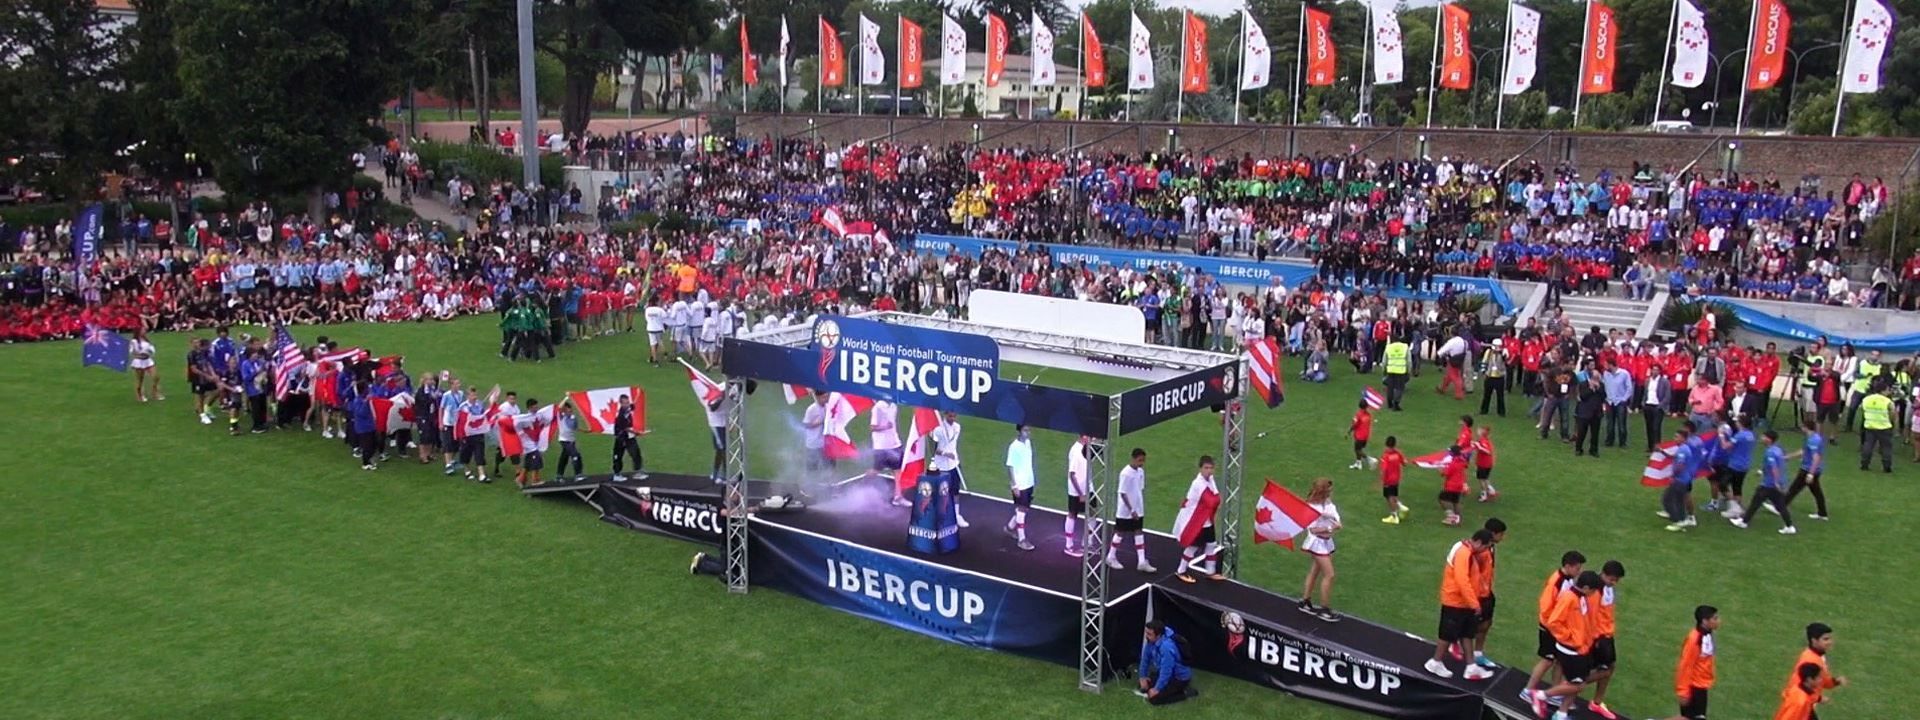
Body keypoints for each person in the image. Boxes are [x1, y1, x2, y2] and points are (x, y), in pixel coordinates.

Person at [1524, 571, 1605, 720]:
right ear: (1586, 587)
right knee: (1577, 685)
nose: (1594, 594)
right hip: (1570, 649)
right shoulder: (1569, 598)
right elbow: (1554, 622)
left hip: (1580, 648)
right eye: (1593, 590)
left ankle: (1561, 714)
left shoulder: (1580, 597)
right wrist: (1570, 638)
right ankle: (1541, 695)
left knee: (1576, 682)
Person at [1427, 528, 1497, 681]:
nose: (1485, 551)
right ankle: (1435, 662)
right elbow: (1462, 580)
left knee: (1467, 633)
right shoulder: (1463, 554)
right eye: (1485, 547)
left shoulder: (1467, 551)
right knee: (1447, 634)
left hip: (1464, 602)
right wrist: (1475, 604)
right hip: (1455, 601)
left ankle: (1471, 666)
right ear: (1478, 542)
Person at [1520, 551, 1586, 703]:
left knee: (1558, 661)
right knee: (1547, 660)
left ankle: (1555, 693)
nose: (1579, 571)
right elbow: (1545, 606)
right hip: (1549, 627)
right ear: (1568, 566)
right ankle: (1528, 690)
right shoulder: (1556, 581)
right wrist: (1553, 627)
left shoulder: (1568, 580)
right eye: (1577, 568)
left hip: (1556, 628)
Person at [1653, 605, 1719, 720]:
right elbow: (1684, 666)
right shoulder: (1694, 639)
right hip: (1694, 687)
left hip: (1701, 686)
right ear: (1704, 621)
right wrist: (1683, 692)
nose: (1718, 621)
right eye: (1715, 618)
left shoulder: (1708, 635)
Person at [1731, 430, 1797, 534]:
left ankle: (1744, 522)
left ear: (1769, 439)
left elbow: (1774, 467)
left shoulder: (1770, 452)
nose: (1761, 438)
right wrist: (1763, 471)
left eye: (1764, 437)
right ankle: (1789, 526)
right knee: (1779, 505)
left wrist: (1775, 482)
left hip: (1769, 484)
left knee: (1757, 502)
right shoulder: (1777, 450)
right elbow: (1780, 464)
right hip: (1774, 482)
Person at [1586, 561, 1628, 720]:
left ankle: (1597, 702)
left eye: (1616, 580)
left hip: (1607, 635)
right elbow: (1590, 615)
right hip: (1598, 637)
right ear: (1603, 573)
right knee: (1603, 670)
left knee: (1610, 667)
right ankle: (1568, 688)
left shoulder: (1609, 589)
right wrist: (1595, 638)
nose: (1614, 582)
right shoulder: (1595, 589)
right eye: (1612, 579)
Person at [1172, 456, 1224, 583]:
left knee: (1211, 544)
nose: (1209, 471)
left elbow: (1216, 498)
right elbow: (1212, 500)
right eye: (1206, 468)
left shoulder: (1210, 480)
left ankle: (1210, 572)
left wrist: (1215, 501)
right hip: (1196, 520)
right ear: (1200, 468)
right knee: (1193, 546)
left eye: (1211, 468)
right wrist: (1215, 501)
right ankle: (1180, 570)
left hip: (1205, 519)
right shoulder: (1198, 483)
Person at [1298, 478, 1341, 622]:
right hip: (1317, 543)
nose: (1331, 492)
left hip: (1325, 542)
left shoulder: (1326, 504)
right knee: (1330, 574)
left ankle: (1305, 601)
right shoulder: (1312, 508)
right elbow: (1314, 529)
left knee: (1315, 571)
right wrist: (1331, 527)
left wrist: (1332, 523)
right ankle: (1324, 609)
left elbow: (1336, 519)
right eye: (1329, 490)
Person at [1107, 448, 1155, 572]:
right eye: (1139, 460)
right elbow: (1122, 493)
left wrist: (1138, 508)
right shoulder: (1125, 473)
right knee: (1120, 533)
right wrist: (1131, 510)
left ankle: (1141, 561)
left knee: (1138, 531)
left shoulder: (1140, 472)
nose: (1141, 463)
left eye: (1143, 461)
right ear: (1133, 458)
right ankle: (1111, 557)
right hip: (1125, 511)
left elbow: (1139, 490)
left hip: (1138, 509)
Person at [1469, 518, 1507, 670]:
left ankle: (1478, 654)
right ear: (1493, 533)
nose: (1502, 538)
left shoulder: (1490, 548)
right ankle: (1458, 648)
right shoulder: (1480, 551)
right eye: (1501, 534)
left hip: (1487, 592)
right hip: (1477, 593)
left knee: (1486, 623)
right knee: (1471, 624)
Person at [1785, 622, 1846, 713]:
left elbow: (1822, 680)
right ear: (1814, 641)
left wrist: (1835, 681)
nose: (1830, 642)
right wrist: (1818, 698)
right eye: (1825, 639)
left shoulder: (1818, 656)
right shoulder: (1810, 661)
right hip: (1799, 705)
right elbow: (1800, 686)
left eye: (1830, 638)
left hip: (1805, 703)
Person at [1136, 620, 1194, 705]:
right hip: (1168, 674)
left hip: (1179, 678)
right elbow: (1145, 659)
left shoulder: (1166, 647)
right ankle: (1169, 690)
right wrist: (1142, 677)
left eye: (1149, 634)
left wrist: (1157, 689)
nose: (1146, 636)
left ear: (1158, 635)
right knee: (1143, 686)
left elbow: (1166, 671)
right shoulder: (1151, 641)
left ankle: (1185, 693)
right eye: (1146, 633)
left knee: (1154, 699)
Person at [1784, 418, 1831, 521]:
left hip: (1808, 469)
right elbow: (1803, 451)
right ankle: (1822, 514)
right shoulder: (1811, 438)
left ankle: (1780, 507)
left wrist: (1811, 473)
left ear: (1806, 428)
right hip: (1813, 469)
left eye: (1802, 427)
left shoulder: (1813, 440)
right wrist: (1788, 457)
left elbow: (1816, 457)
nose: (1801, 428)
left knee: (1794, 489)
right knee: (1816, 492)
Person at [928, 410, 968, 528]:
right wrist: (945, 453)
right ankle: (936, 515)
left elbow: (952, 444)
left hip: (954, 464)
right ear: (945, 415)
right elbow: (933, 449)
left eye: (954, 416)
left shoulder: (957, 427)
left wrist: (952, 456)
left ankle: (956, 515)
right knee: (940, 492)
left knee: (955, 491)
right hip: (941, 466)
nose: (952, 418)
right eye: (950, 416)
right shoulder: (938, 430)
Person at [1658, 423, 1700, 532]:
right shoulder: (1684, 448)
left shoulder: (1682, 450)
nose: (1674, 439)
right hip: (1684, 480)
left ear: (1683, 438)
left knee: (1667, 499)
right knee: (1679, 501)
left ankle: (1677, 520)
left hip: (1679, 480)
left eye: (1677, 437)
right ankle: (1681, 520)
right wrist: (1662, 452)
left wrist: (1673, 476)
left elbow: (1680, 465)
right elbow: (1674, 458)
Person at [1715, 416, 1757, 519]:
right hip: (1745, 465)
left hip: (1735, 465)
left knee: (1722, 485)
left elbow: (1725, 446)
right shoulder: (1751, 435)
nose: (1736, 423)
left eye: (1737, 422)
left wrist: (1721, 435)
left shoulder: (1739, 435)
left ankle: (1735, 507)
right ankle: (1736, 510)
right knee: (1737, 487)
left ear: (1741, 423)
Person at [1003, 424, 1036, 551]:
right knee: (1021, 509)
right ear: (1019, 431)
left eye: (1029, 430)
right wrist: (1014, 485)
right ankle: (1021, 539)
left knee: (1025, 508)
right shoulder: (1014, 447)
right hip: (1020, 484)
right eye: (1025, 430)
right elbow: (1010, 466)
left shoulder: (1028, 443)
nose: (1028, 432)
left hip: (1029, 482)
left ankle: (1010, 528)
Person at [1064, 434, 1093, 557]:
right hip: (1077, 491)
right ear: (1084, 436)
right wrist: (1080, 493)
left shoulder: (1086, 448)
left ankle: (1087, 543)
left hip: (1089, 488)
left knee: (1092, 513)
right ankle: (1068, 545)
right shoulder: (1076, 451)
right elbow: (1072, 474)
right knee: (1072, 514)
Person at [1858, 381, 1895, 472]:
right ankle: (1887, 466)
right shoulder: (1887, 401)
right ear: (1883, 391)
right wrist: (1891, 422)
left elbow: (1863, 409)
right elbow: (1892, 413)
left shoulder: (1866, 399)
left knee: (1868, 446)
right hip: (1884, 427)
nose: (1888, 392)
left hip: (1870, 426)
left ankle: (1864, 464)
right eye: (1887, 390)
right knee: (1886, 447)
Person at [611, 393, 646, 480]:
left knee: (636, 453)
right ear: (621, 403)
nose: (627, 404)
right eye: (625, 403)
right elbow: (625, 428)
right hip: (621, 437)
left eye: (628, 402)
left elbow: (632, 407)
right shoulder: (620, 415)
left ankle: (638, 472)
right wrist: (637, 433)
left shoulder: (628, 408)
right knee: (619, 455)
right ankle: (617, 474)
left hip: (629, 436)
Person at [867, 399, 901, 487]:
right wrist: (885, 427)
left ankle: (898, 496)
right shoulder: (877, 407)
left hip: (894, 444)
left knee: (897, 470)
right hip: (881, 446)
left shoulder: (894, 406)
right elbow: (872, 427)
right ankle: (864, 485)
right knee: (876, 470)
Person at [1572, 374, 1605, 457]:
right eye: (1595, 378)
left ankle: (1593, 450)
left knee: (1595, 433)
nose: (1597, 380)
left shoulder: (1601, 385)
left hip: (1596, 413)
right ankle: (1578, 449)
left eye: (1598, 379)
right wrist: (1591, 389)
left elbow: (1604, 396)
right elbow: (1583, 396)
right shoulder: (1583, 384)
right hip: (1584, 413)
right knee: (1581, 432)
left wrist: (1598, 389)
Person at [1642, 367, 1673, 452]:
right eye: (1653, 369)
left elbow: (1667, 395)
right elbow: (1645, 392)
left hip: (1657, 406)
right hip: (1648, 405)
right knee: (1649, 427)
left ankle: (1657, 446)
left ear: (1659, 371)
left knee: (1656, 427)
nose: (1654, 371)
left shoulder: (1664, 381)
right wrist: (1643, 403)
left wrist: (1661, 405)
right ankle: (1650, 446)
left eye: (1656, 370)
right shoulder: (1648, 380)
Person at [1379, 436, 1409, 523]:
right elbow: (1405, 463)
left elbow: (1384, 470)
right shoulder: (1398, 453)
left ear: (1386, 444)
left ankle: (1394, 516)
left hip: (1388, 479)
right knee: (1393, 494)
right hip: (1396, 478)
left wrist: (1382, 480)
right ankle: (1401, 506)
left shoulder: (1385, 456)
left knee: (1389, 497)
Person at [1438, 445, 1468, 525]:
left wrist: (1440, 469)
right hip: (1459, 486)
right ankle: (1458, 518)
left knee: (1442, 499)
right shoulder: (1462, 461)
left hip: (1451, 486)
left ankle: (1451, 516)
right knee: (1455, 502)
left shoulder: (1453, 463)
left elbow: (1444, 474)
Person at [130, 327, 162, 402]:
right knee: (140, 380)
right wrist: (139, 354)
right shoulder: (134, 341)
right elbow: (132, 351)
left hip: (148, 360)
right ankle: (140, 394)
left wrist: (150, 351)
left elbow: (152, 349)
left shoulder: (146, 340)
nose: (144, 331)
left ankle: (155, 392)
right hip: (139, 361)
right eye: (143, 330)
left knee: (156, 377)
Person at [556, 399, 584, 482]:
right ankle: (578, 475)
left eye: (570, 409)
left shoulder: (573, 417)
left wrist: (586, 431)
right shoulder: (561, 416)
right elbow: (559, 407)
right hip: (564, 440)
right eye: (567, 409)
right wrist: (566, 398)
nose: (570, 411)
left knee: (564, 458)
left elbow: (574, 428)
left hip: (571, 441)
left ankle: (559, 475)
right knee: (575, 455)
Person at [1382, 334, 1411, 411]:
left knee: (1390, 387)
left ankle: (1389, 403)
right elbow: (1409, 361)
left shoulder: (1388, 347)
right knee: (1399, 388)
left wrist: (1384, 370)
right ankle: (1396, 404)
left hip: (1390, 370)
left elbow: (1384, 361)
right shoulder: (1405, 347)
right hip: (1401, 370)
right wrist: (1409, 370)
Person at [1473, 426, 1499, 502]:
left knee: (1481, 479)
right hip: (1488, 463)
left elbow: (1487, 451)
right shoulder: (1484, 440)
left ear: (1482, 433)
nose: (1477, 431)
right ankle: (1491, 491)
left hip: (1483, 464)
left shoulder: (1482, 441)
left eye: (1479, 430)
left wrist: (1479, 446)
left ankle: (1484, 495)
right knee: (1485, 478)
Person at [1347, 401, 1376, 470]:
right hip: (1366, 435)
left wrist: (1349, 430)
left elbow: (1354, 424)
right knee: (1359, 449)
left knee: (1357, 450)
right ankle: (1358, 463)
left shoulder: (1358, 414)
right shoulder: (1368, 414)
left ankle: (1370, 459)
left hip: (1359, 435)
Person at [643, 300, 666, 365]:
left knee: (652, 344)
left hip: (651, 328)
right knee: (659, 342)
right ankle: (665, 354)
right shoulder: (660, 309)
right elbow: (665, 316)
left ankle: (655, 360)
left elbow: (646, 319)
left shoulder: (647, 310)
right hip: (659, 328)